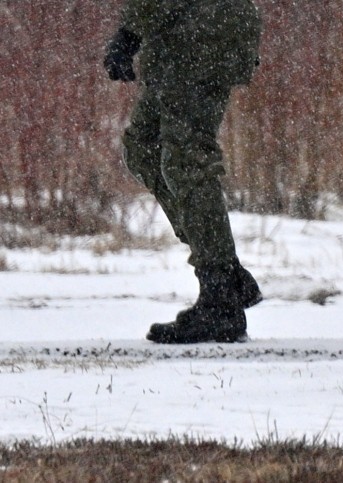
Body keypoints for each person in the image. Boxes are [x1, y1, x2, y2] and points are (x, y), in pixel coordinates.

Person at [103, 0, 263, 343]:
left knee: (186, 158)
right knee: (145, 148)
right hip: (177, 31)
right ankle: (225, 274)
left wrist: (130, 31)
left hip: (203, 26)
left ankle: (220, 295)